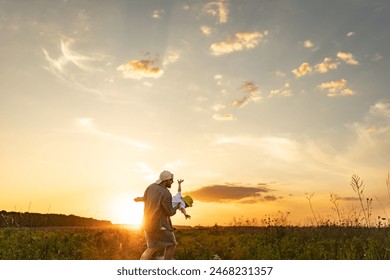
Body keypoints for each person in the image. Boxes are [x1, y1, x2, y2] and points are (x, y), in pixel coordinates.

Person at [139, 170, 178, 260]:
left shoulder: (150, 187)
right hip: (159, 226)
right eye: (171, 180)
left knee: (151, 248)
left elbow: (145, 199)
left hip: (147, 223)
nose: (172, 182)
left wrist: (138, 199)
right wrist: (177, 206)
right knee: (172, 244)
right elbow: (170, 212)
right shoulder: (166, 194)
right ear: (166, 180)